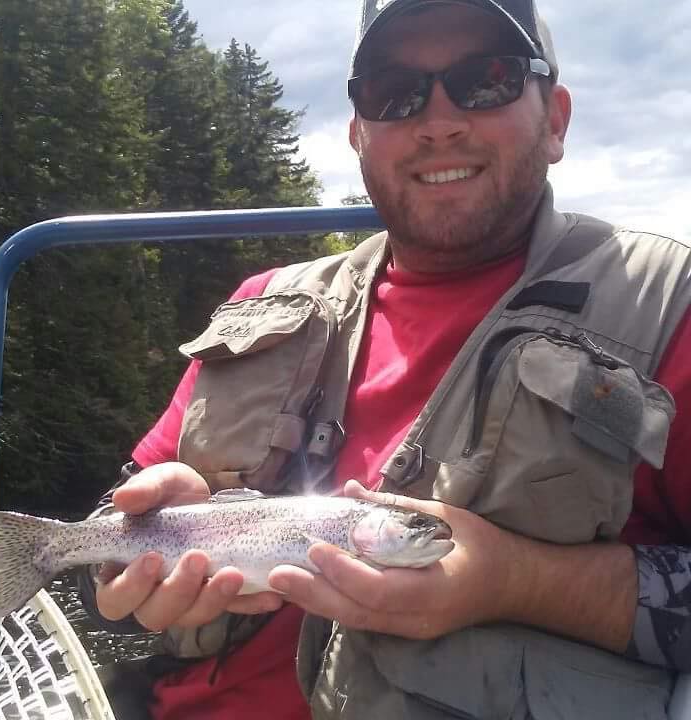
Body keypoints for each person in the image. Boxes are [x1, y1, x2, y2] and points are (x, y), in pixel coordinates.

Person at [79, 0, 691, 718]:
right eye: (392, 92)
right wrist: (127, 562)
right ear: (358, 134)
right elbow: (107, 547)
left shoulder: (668, 311)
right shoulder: (262, 300)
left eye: (485, 80)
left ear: (555, 119)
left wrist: (516, 580)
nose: (438, 122)